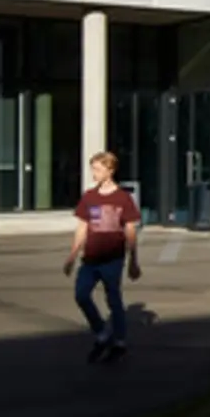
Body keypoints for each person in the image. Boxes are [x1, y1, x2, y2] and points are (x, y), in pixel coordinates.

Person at [63, 151, 142, 362]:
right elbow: (82, 227)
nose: (94, 174)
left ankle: (120, 342)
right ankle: (101, 332)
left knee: (114, 300)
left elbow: (130, 229)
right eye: (93, 169)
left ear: (110, 171)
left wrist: (133, 260)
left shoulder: (123, 198)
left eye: (98, 169)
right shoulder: (89, 196)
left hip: (113, 258)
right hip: (90, 258)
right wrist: (72, 256)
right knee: (81, 295)